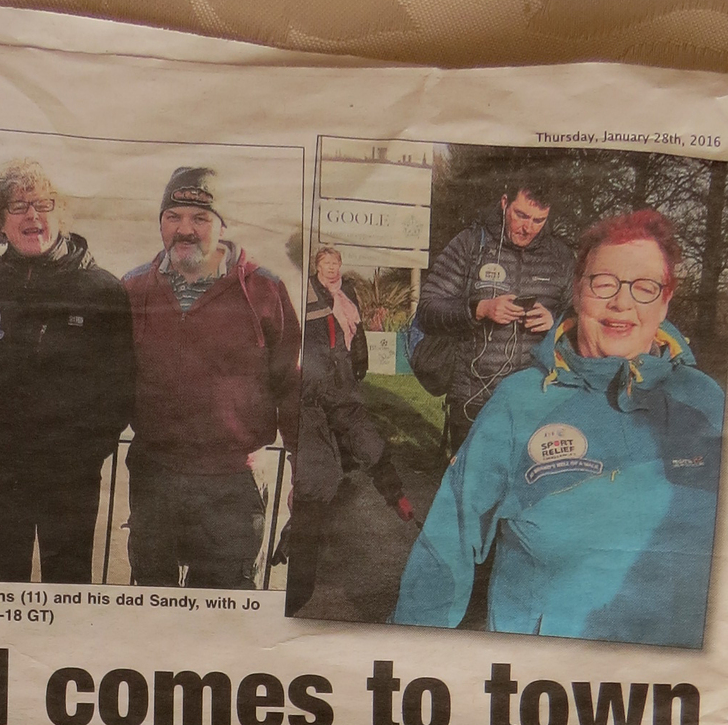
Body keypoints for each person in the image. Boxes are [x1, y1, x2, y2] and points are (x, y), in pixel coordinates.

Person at [395, 207, 724, 646]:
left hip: (666, 681)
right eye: (604, 282)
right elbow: (448, 542)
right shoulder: (520, 401)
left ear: (666, 300)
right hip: (544, 683)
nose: (622, 303)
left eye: (645, 287)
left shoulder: (704, 402)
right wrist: (407, 655)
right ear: (577, 289)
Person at [0, 159, 134, 583]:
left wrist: (90, 448)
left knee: (70, 581)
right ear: (0, 223)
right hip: (1, 468)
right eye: (18, 207)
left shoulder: (103, 291)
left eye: (44, 204)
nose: (33, 215)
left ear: (62, 217)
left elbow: (122, 384)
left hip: (71, 473)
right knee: (1, 577)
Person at [123, 166, 301, 588]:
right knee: (149, 607)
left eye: (200, 218)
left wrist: (304, 477)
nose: (185, 229)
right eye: (173, 217)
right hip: (154, 476)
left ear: (222, 226)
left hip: (232, 484)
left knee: (224, 617)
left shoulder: (264, 289)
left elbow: (293, 387)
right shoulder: (133, 288)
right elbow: (108, 380)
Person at [287, 245, 415, 613]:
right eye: (325, 264)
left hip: (330, 398)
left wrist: (393, 489)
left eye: (335, 264)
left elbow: (351, 409)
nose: (330, 269)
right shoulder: (304, 301)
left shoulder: (338, 303)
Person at [414, 172, 574, 449]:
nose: (528, 228)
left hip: (535, 401)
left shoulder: (560, 257)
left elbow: (586, 320)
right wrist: (479, 309)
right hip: (473, 400)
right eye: (521, 215)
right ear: (504, 203)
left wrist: (556, 322)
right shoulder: (469, 245)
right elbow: (428, 310)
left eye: (539, 220)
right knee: (473, 489)